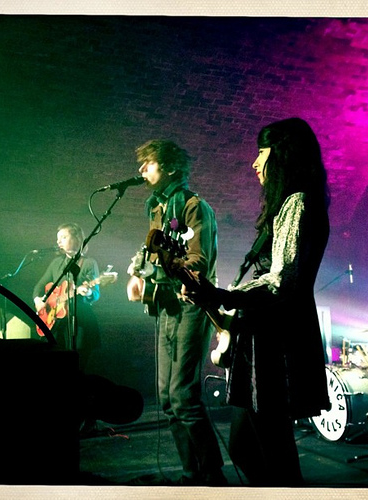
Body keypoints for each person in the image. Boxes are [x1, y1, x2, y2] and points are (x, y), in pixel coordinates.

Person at [182, 118, 331, 487]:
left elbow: (281, 282)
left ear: (281, 154)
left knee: (270, 452)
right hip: (266, 335)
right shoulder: (290, 205)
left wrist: (222, 295)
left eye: (261, 152)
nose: (254, 162)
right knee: (248, 446)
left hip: (276, 342)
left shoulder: (298, 202)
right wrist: (219, 298)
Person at [126, 139, 226, 486]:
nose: (142, 169)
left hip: (192, 307)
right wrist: (138, 272)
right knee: (167, 400)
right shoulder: (158, 207)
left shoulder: (195, 207)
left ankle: (213, 474)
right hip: (166, 305)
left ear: (170, 167)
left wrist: (169, 272)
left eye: (149, 162)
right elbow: (153, 251)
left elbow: (198, 260)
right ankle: (190, 473)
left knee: (184, 397)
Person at [33, 222, 101, 373]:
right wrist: (38, 300)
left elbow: (95, 294)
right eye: (58, 238)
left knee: (78, 365)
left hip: (81, 321)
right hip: (57, 322)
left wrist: (87, 292)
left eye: (63, 237)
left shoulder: (88, 263)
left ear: (77, 238)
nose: (58, 241)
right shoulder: (56, 263)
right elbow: (40, 286)